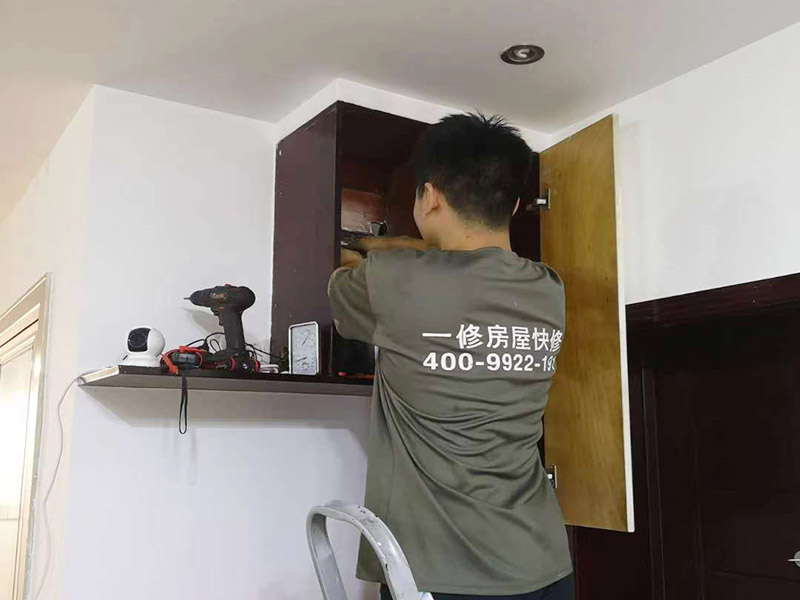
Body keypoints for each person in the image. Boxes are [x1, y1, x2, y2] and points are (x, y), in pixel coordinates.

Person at [327, 113, 572, 600]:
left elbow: (341, 276)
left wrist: (385, 246)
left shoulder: (392, 279)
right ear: (515, 204)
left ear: (430, 196)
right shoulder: (549, 287)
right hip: (544, 563)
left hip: (441, 575)